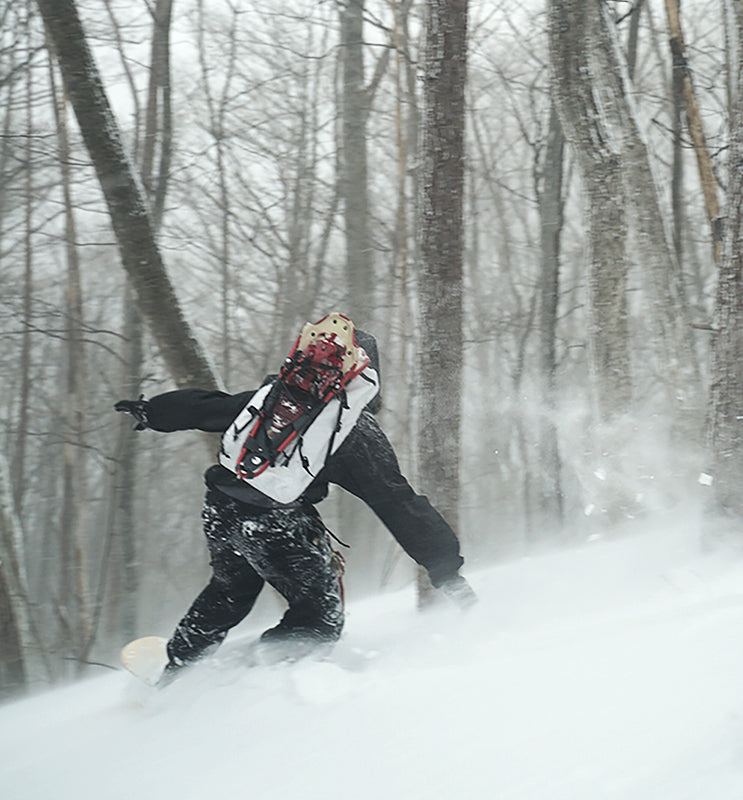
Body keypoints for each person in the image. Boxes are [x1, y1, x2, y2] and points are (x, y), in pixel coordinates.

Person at [115, 313, 474, 682]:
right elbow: (399, 504)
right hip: (274, 525)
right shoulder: (356, 432)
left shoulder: (277, 398)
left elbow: (211, 408)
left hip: (220, 509)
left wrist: (153, 411)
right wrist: (447, 570)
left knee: (230, 589)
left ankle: (177, 666)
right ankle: (247, 682)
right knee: (319, 619)